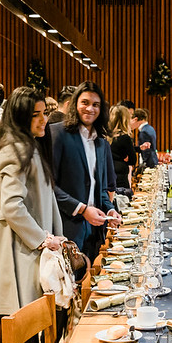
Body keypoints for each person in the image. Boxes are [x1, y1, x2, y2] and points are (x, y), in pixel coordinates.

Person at [0, 86, 64, 343]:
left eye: (44, 114)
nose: (44, 120)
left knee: (31, 324)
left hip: (31, 245)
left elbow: (45, 197)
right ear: (19, 117)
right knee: (25, 324)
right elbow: (12, 206)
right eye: (36, 115)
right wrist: (43, 238)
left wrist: (56, 237)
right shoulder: (13, 149)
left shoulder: (27, 144)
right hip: (19, 249)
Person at [50, 81, 120, 260]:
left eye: (95, 105)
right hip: (66, 226)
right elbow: (49, 185)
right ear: (75, 104)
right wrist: (81, 209)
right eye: (85, 103)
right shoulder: (57, 134)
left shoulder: (101, 142)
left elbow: (101, 189)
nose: (90, 109)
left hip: (95, 230)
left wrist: (110, 210)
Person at [107, 105, 137, 192]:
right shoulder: (125, 138)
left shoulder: (105, 136)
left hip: (108, 176)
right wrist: (125, 159)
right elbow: (132, 160)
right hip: (121, 177)